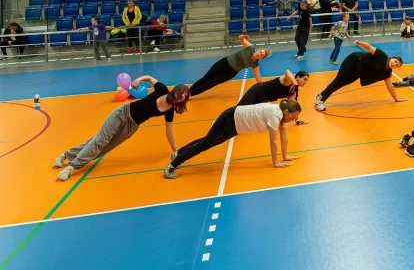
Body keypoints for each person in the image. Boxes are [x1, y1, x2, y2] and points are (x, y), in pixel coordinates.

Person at [55, 79, 190, 181]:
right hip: (122, 113)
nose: (182, 97)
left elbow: (169, 131)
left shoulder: (170, 111)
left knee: (102, 145)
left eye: (185, 96)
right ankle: (71, 168)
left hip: (131, 127)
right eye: (182, 93)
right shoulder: (162, 89)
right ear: (176, 91)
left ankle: (66, 155)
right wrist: (137, 80)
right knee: (101, 140)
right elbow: (149, 78)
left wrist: (175, 151)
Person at [164, 99, 301, 178]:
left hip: (236, 127)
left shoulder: (282, 116)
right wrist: (275, 162)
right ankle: (171, 166)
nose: (293, 120)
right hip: (230, 118)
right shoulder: (275, 115)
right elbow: (273, 140)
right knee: (205, 143)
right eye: (294, 117)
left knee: (206, 142)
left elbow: (284, 136)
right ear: (287, 111)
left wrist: (285, 156)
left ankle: (177, 154)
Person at [314, 39, 404, 111]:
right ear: (392, 58)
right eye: (395, 61)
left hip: (359, 71)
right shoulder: (382, 56)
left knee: (342, 83)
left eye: (397, 65)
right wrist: (359, 42)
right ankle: (320, 100)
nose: (394, 64)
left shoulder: (387, 72)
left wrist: (396, 98)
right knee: (338, 81)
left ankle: (320, 95)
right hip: (354, 60)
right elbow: (369, 47)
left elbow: (390, 86)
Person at [188, 35, 270, 96]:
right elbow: (240, 39)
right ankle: (187, 91)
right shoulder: (250, 48)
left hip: (230, 73)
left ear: (262, 58)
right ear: (258, 50)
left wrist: (265, 89)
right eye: (260, 52)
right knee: (205, 78)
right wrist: (242, 36)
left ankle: (189, 95)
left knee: (210, 83)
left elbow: (258, 79)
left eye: (261, 55)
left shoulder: (255, 64)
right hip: (224, 63)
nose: (259, 54)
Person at [237, 70, 308, 106]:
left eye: (307, 80)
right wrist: (295, 84)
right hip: (258, 90)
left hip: (264, 99)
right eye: (305, 79)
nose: (306, 82)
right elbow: (287, 72)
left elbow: (292, 106)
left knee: (249, 111)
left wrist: (297, 120)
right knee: (240, 108)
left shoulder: (292, 92)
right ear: (298, 77)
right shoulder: (289, 80)